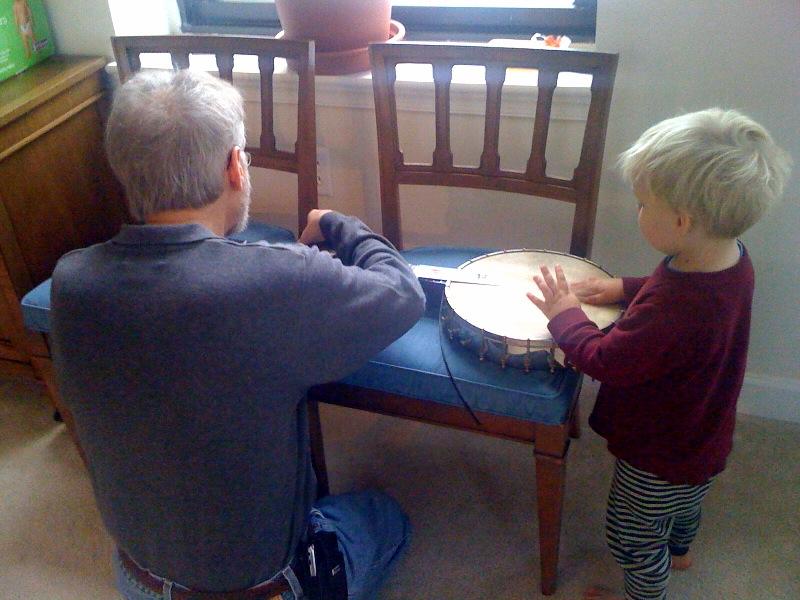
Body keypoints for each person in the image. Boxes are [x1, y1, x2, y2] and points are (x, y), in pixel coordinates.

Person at [50, 69, 426, 600]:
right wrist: (337, 223)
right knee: (384, 515)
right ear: (235, 166)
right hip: (264, 589)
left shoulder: (70, 281)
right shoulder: (276, 280)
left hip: (136, 576)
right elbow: (403, 293)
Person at [526, 108, 791, 600]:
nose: (638, 211)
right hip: (705, 433)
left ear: (682, 221)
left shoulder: (675, 307)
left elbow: (605, 360)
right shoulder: (729, 257)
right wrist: (624, 288)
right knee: (686, 503)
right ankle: (681, 552)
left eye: (643, 204)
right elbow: (669, 289)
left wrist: (564, 315)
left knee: (632, 535)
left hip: (659, 452)